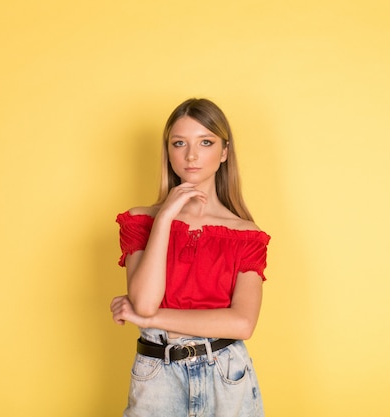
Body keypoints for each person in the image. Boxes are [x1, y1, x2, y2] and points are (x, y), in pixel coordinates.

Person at [110, 98, 271, 417]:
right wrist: (166, 215)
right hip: (157, 376)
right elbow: (143, 302)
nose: (192, 155)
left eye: (206, 142)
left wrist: (152, 320)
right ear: (168, 152)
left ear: (224, 152)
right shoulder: (141, 220)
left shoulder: (245, 234)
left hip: (227, 377)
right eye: (179, 143)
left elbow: (242, 323)